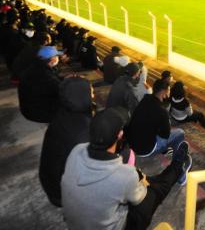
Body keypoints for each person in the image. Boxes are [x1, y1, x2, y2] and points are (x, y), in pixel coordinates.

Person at [61, 108, 192, 230]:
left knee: (141, 180)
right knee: (154, 192)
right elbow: (139, 196)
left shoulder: (76, 150)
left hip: (75, 224)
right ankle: (178, 166)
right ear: (120, 134)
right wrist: (139, 181)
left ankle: (166, 173)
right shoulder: (124, 175)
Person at [39, 76, 95, 207]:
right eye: (90, 92)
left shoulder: (62, 113)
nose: (93, 95)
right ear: (81, 96)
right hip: (63, 195)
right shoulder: (83, 131)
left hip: (50, 182)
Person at [126, 79, 185, 158]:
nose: (169, 92)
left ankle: (165, 151)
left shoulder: (145, 99)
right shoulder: (162, 111)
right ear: (163, 93)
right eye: (168, 90)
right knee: (180, 133)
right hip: (146, 150)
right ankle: (177, 160)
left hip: (132, 144)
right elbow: (165, 135)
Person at [18, 45, 63, 123]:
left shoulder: (34, 66)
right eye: (57, 56)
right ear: (52, 59)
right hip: (38, 114)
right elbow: (61, 89)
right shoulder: (46, 76)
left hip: (28, 110)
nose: (58, 58)